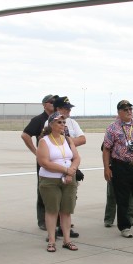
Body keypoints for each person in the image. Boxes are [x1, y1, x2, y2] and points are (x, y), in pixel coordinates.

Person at [102, 100, 133, 238]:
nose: (129, 111)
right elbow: (106, 149)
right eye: (125, 109)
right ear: (119, 112)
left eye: (130, 109)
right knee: (122, 198)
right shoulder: (112, 128)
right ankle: (124, 227)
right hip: (121, 166)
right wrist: (106, 168)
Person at [37, 112, 80, 252]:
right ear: (51, 125)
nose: (63, 125)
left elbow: (76, 158)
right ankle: (51, 241)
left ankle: (67, 240)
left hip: (68, 179)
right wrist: (65, 170)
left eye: (63, 122)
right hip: (50, 180)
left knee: (66, 211)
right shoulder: (44, 141)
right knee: (52, 210)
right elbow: (44, 162)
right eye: (59, 122)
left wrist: (71, 170)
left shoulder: (67, 139)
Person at [22, 94, 58, 231]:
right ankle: (42, 220)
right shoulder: (39, 120)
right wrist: (36, 152)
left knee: (59, 190)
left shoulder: (58, 119)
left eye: (56, 102)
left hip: (59, 161)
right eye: (51, 102)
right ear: (44, 104)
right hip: (45, 161)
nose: (54, 104)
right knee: (43, 189)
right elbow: (25, 135)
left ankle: (59, 219)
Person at [52, 96, 85, 238]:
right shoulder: (51, 123)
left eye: (69, 108)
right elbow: (46, 140)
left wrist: (66, 142)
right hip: (55, 167)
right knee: (54, 200)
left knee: (69, 199)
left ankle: (65, 228)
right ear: (58, 109)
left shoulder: (72, 123)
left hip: (70, 166)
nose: (69, 111)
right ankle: (53, 230)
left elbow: (83, 139)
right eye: (66, 108)